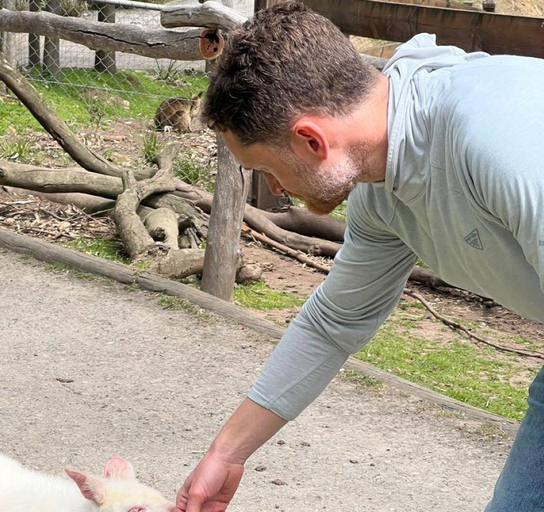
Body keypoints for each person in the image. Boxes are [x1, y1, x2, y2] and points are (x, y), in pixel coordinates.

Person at [173, 3, 544, 511]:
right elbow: (334, 322)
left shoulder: (499, 137)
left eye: (269, 170)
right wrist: (227, 453)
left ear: (310, 139)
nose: (275, 189)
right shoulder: (384, 186)